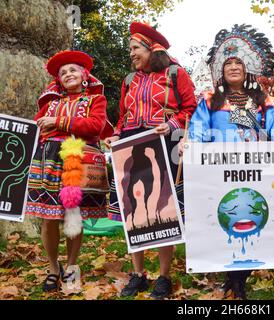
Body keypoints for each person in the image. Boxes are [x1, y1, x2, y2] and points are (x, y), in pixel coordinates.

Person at [179, 24, 274, 300]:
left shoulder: (263, 101)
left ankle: (237, 280)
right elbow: (200, 130)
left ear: (247, 68)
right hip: (219, 170)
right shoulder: (210, 101)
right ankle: (233, 280)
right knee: (225, 216)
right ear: (220, 71)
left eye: (238, 62)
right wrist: (191, 144)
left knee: (252, 216)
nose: (233, 67)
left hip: (257, 171)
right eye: (228, 63)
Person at [105, 21, 196, 299]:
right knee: (133, 210)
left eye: (135, 48)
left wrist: (171, 126)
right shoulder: (129, 81)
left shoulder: (175, 73)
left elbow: (191, 109)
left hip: (162, 144)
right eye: (129, 49)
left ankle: (164, 277)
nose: (131, 54)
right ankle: (138, 275)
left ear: (150, 48)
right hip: (129, 147)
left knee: (161, 209)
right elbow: (122, 116)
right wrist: (116, 134)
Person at [27, 50, 113, 292]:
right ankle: (54, 269)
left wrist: (58, 123)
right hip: (50, 162)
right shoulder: (50, 103)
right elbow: (35, 129)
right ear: (58, 81)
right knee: (49, 217)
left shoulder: (96, 100)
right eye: (63, 73)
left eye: (73, 70)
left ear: (84, 75)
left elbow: (95, 126)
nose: (68, 74)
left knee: (74, 215)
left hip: (80, 160)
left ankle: (72, 266)